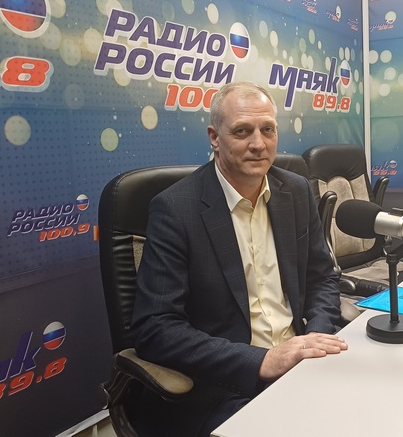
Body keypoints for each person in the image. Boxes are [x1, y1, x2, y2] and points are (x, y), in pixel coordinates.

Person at [130, 81, 348, 436]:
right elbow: (155, 328)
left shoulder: (295, 190)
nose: (258, 144)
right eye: (242, 131)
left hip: (301, 363)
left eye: (268, 130)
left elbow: (321, 277)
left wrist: (316, 339)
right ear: (215, 137)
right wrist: (261, 360)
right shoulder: (176, 209)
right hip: (225, 385)